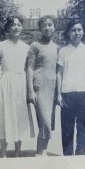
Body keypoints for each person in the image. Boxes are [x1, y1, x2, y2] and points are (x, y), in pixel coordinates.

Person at [0, 15, 34, 157]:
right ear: (8, 28)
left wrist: (29, 90)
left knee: (19, 116)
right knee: (4, 116)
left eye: (18, 25)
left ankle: (17, 152)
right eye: (12, 25)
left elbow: (29, 69)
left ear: (22, 27)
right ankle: (3, 153)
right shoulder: (0, 46)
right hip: (6, 83)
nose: (16, 27)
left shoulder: (27, 47)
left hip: (21, 83)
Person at [57, 19, 85, 156]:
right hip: (67, 93)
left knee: (84, 127)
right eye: (73, 30)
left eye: (79, 29)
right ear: (68, 33)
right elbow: (60, 74)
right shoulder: (63, 51)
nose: (76, 33)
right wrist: (59, 94)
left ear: (83, 32)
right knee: (67, 129)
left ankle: (81, 156)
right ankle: (68, 157)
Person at [27, 15, 58, 156]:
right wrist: (30, 91)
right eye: (44, 25)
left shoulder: (57, 48)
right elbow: (29, 68)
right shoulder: (35, 45)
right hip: (39, 87)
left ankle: (41, 152)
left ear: (54, 27)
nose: (47, 27)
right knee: (44, 122)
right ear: (40, 28)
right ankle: (41, 153)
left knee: (48, 123)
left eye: (50, 25)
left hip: (53, 89)